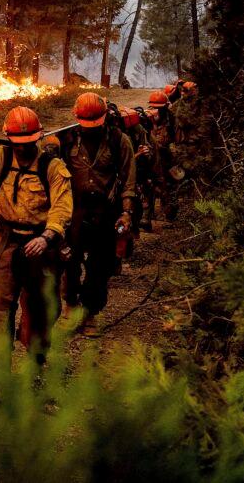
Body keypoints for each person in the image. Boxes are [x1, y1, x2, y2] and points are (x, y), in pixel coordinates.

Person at [0, 106, 73, 362]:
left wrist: (47, 237)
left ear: (38, 137)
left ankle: (35, 361)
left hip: (40, 244)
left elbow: (62, 207)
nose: (23, 149)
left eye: (29, 143)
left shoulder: (52, 167)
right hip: (6, 241)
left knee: (41, 309)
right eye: (18, 144)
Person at [55, 93, 136, 337]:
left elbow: (129, 179)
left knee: (99, 265)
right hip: (75, 209)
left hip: (105, 209)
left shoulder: (118, 140)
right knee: (69, 260)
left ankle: (90, 313)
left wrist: (127, 212)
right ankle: (70, 307)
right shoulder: (66, 140)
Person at [146, 90, 178, 222]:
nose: (157, 110)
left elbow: (177, 138)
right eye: (154, 107)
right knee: (147, 185)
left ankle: (169, 215)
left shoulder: (171, 118)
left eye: (159, 108)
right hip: (150, 156)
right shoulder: (146, 118)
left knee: (167, 186)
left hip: (166, 158)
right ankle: (147, 216)